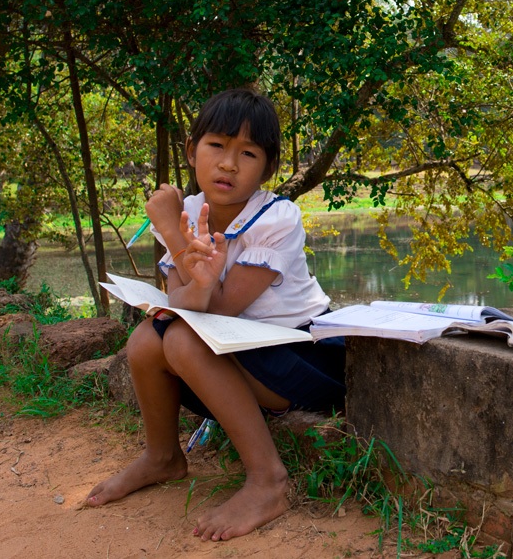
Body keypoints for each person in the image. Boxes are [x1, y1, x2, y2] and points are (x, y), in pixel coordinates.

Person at [85, 88, 344, 541]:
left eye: (248, 153)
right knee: (147, 338)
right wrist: (193, 271)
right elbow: (181, 305)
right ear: (191, 151)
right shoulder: (187, 212)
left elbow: (221, 310)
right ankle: (162, 457)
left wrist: (171, 233)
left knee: (184, 338)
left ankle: (268, 481)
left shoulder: (277, 217)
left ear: (267, 168)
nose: (228, 164)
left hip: (301, 354)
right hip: (232, 355)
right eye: (217, 146)